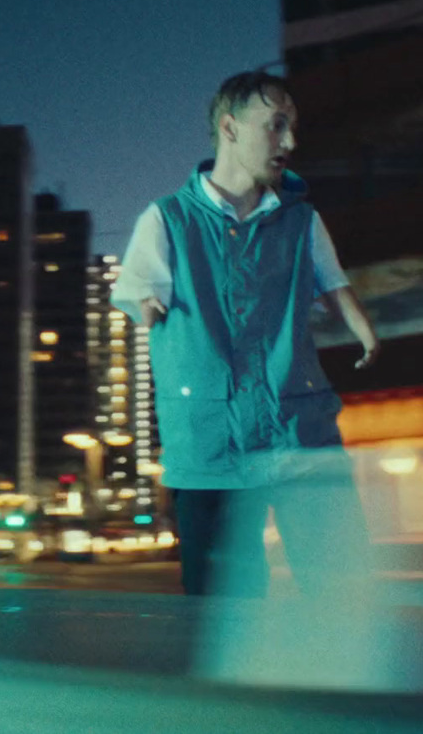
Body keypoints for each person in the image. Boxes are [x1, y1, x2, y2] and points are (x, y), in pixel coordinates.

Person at [111, 70, 381, 598]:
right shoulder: (167, 219)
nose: (290, 142)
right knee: (225, 605)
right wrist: (144, 302)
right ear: (230, 129)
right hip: (210, 442)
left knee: (343, 589)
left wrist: (360, 324)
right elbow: (137, 288)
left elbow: (334, 282)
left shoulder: (301, 221)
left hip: (299, 428)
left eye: (293, 128)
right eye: (276, 125)